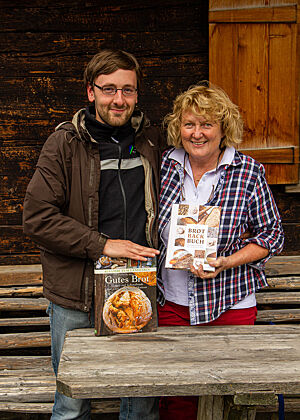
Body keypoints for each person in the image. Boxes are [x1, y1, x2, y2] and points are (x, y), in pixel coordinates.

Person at [23, 49, 165, 420]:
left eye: (128, 91)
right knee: (72, 407)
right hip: (77, 297)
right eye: (109, 89)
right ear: (91, 92)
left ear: (137, 94)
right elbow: (37, 218)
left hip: (138, 291)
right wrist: (103, 244)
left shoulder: (150, 141)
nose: (119, 100)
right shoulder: (64, 144)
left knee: (141, 405)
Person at [157, 81, 284, 419]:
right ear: (178, 128)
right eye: (189, 124)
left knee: (229, 398)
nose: (197, 133)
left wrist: (228, 261)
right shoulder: (166, 167)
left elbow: (272, 235)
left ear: (223, 128)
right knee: (177, 397)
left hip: (229, 304)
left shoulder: (248, 172)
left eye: (206, 124)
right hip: (173, 304)